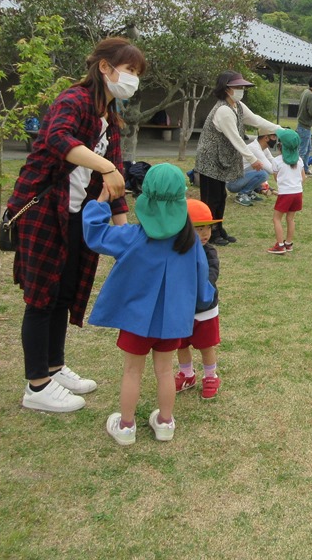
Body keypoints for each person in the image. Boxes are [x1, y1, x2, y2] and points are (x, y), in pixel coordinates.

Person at [10, 36, 144, 413]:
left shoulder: (110, 119)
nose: (132, 79)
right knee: (40, 297)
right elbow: (56, 138)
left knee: (63, 293)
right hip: (42, 209)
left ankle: (53, 368)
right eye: (129, 70)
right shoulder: (74, 100)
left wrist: (125, 241)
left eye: (136, 73)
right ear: (105, 67)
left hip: (74, 214)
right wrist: (105, 165)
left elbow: (114, 188)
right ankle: (36, 386)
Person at [83, 163, 215, 446]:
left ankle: (126, 426)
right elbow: (202, 279)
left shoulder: (132, 237)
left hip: (135, 321)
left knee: (132, 371)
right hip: (172, 322)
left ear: (147, 199)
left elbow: (95, 234)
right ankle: (165, 423)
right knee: (165, 370)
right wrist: (202, 301)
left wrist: (101, 201)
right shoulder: (190, 242)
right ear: (181, 200)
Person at [195, 71, 276, 246]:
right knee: (211, 198)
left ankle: (219, 228)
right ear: (226, 89)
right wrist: (253, 159)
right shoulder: (223, 110)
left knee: (221, 196)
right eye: (237, 87)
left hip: (221, 159)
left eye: (242, 87)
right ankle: (210, 233)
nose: (241, 90)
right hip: (210, 159)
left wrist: (278, 129)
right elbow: (236, 139)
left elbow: (256, 120)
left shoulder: (237, 106)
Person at [175, 199, 222, 400]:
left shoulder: (208, 251)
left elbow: (211, 274)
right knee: (181, 344)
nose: (204, 234)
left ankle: (211, 376)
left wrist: (196, 283)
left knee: (205, 345)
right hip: (181, 308)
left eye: (208, 228)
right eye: (199, 228)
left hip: (204, 308)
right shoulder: (177, 250)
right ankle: (187, 374)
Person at [267, 128, 304, 254]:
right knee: (290, 218)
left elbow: (277, 178)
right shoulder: (299, 160)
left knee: (277, 218)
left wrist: (283, 189)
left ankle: (280, 245)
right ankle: (288, 243)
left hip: (285, 194)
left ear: (280, 147)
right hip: (298, 192)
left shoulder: (276, 161)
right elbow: (303, 177)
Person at [227, 124, 277, 207]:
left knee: (262, 172)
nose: (276, 140)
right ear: (266, 138)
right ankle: (242, 195)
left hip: (240, 179)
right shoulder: (255, 148)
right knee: (263, 173)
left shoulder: (263, 148)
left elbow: (273, 161)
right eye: (274, 137)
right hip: (233, 183)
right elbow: (271, 169)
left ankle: (249, 193)